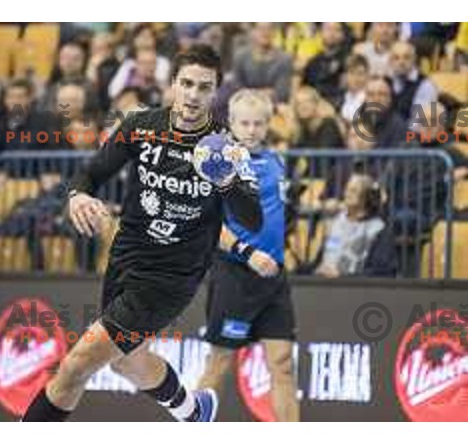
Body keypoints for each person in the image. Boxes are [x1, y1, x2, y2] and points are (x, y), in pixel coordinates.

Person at [22, 45, 262, 422]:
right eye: (187, 84)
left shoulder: (227, 148)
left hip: (170, 279)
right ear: (173, 84)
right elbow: (91, 172)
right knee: (127, 364)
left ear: (215, 92)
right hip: (125, 261)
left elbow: (253, 219)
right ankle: (194, 412)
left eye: (204, 87)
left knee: (75, 366)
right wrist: (78, 195)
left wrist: (228, 181)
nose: (194, 95)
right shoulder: (140, 126)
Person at [196, 89, 299, 422]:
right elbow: (210, 224)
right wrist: (248, 252)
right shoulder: (218, 163)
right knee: (220, 362)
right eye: (244, 123)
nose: (251, 130)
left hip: (274, 278)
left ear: (268, 124)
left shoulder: (277, 161)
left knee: (282, 363)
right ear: (231, 123)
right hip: (235, 275)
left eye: (258, 123)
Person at [312, 174, 397, 278]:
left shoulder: (379, 230)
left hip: (356, 290)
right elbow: (320, 260)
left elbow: (382, 272)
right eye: (347, 189)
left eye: (353, 191)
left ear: (367, 197)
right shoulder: (336, 223)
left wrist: (342, 276)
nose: (347, 194)